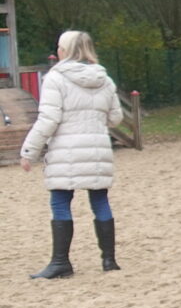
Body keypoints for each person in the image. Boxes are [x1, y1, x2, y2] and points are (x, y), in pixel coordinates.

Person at [20, 29, 123, 278]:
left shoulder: (56, 78)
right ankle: (109, 260)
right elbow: (116, 118)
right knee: (100, 201)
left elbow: (49, 119)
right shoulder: (105, 79)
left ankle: (61, 262)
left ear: (64, 51)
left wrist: (29, 151)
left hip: (65, 152)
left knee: (60, 202)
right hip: (97, 150)